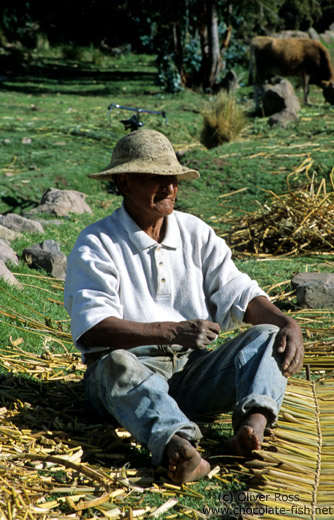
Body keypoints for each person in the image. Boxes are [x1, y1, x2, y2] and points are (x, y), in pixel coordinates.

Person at [64, 129, 304, 484]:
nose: (170, 188)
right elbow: (93, 326)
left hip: (194, 373)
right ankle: (179, 444)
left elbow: (239, 291)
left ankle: (253, 428)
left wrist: (287, 322)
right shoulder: (98, 243)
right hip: (130, 375)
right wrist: (171, 331)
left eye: (173, 179)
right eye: (156, 179)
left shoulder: (195, 233)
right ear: (125, 183)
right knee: (114, 364)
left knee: (268, 336)